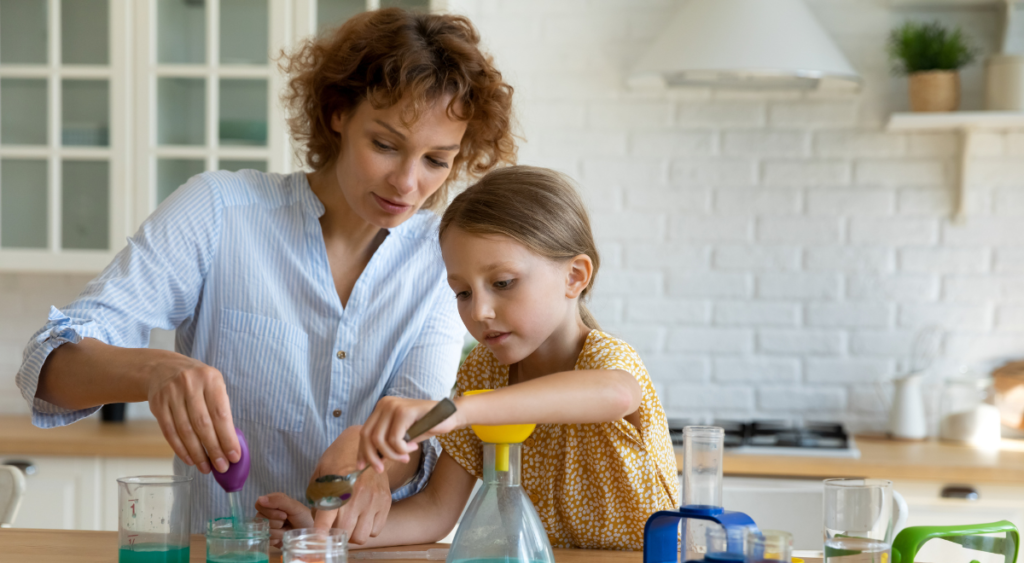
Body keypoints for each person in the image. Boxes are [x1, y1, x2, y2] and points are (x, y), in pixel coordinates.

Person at [14, 8, 515, 536]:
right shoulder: (219, 213)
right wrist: (154, 371)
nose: (408, 183)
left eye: (436, 160)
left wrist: (373, 462)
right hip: (220, 547)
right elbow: (46, 368)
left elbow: (420, 425)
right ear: (337, 112)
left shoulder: (440, 259)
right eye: (385, 145)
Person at [256, 166, 680, 550]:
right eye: (462, 292)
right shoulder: (485, 372)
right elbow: (437, 511)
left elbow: (617, 393)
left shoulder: (603, 359)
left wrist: (462, 410)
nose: (479, 312)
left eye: (503, 282)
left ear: (574, 276)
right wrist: (320, 532)